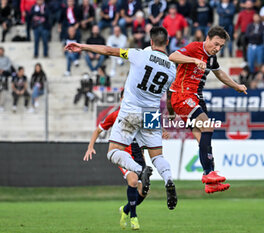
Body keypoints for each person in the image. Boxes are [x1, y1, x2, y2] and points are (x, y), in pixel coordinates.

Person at [65, 26, 178, 217]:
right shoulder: (172, 68)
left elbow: (109, 51)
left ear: (151, 42)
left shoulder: (139, 55)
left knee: (113, 152)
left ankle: (139, 170)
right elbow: (170, 98)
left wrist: (83, 47)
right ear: (167, 42)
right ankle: (168, 179)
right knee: (158, 156)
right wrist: (172, 114)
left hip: (132, 111)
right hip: (152, 114)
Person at [168, 26, 247, 194]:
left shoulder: (212, 58)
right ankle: (208, 174)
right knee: (208, 127)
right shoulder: (194, 47)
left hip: (197, 98)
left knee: (202, 137)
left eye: (221, 46)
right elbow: (172, 56)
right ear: (208, 39)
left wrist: (237, 86)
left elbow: (220, 74)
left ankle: (209, 177)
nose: (217, 49)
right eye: (216, 44)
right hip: (182, 95)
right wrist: (194, 60)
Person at [83, 89, 149, 230]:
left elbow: (148, 133)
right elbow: (98, 130)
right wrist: (90, 147)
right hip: (123, 154)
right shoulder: (115, 115)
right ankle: (133, 218)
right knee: (132, 181)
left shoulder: (139, 114)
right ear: (121, 100)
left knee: (144, 191)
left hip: (138, 154)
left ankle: (125, 210)